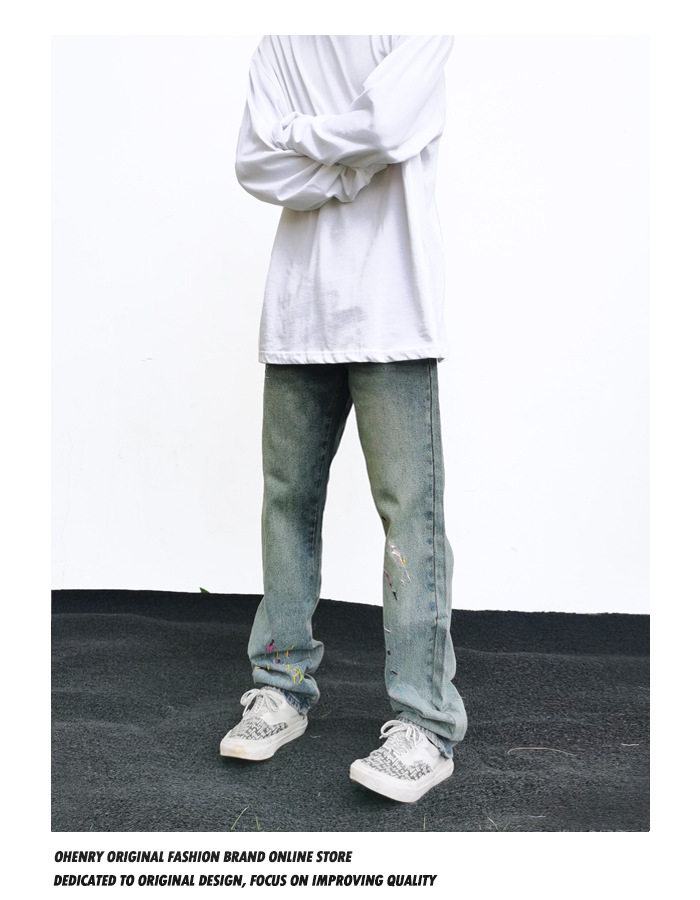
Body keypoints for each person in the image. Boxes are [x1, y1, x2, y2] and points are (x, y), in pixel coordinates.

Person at [219, 35, 467, 804]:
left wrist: (299, 133)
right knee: (286, 503)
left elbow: (386, 129)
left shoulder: (418, 26)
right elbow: (254, 164)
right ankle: (279, 687)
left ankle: (426, 722)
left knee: (411, 518)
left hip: (394, 311)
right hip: (299, 312)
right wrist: (352, 158)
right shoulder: (278, 43)